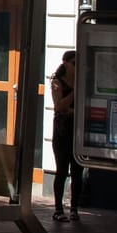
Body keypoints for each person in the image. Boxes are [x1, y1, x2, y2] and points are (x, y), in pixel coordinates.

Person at [50, 50, 79, 223]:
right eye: (74, 63)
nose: (77, 67)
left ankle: (74, 208)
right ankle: (58, 208)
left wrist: (72, 111)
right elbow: (59, 106)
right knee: (61, 169)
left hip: (77, 129)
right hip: (62, 130)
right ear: (66, 63)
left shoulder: (82, 80)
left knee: (77, 170)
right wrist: (75, 92)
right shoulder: (56, 82)